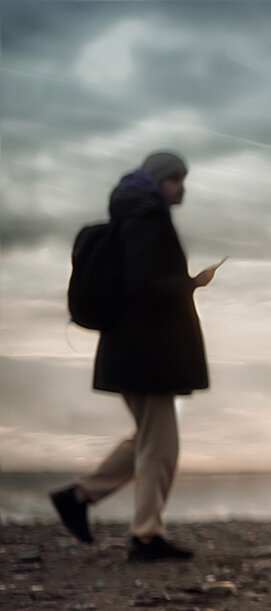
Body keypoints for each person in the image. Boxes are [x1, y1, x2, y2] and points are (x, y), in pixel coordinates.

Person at [50, 150, 219, 561]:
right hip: (147, 356)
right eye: (175, 179)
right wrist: (191, 282)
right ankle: (145, 536)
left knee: (147, 440)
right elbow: (144, 284)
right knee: (160, 448)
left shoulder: (131, 216)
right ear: (158, 182)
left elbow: (137, 282)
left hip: (132, 353)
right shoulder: (147, 219)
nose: (181, 186)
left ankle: (79, 497)